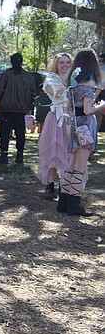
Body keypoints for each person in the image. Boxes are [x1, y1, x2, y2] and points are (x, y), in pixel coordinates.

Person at [59, 48, 103, 216]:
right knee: (80, 166)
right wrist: (101, 105)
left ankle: (63, 201)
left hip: (74, 125)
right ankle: (74, 204)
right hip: (86, 126)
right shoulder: (89, 82)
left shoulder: (73, 83)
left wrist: (97, 92)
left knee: (71, 165)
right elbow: (87, 109)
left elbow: (69, 107)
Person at [37, 53, 73, 199]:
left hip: (70, 118)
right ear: (56, 65)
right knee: (53, 151)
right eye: (61, 63)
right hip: (56, 118)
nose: (65, 65)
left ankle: (65, 185)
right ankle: (50, 184)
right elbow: (57, 95)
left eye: (67, 62)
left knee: (68, 152)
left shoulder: (75, 79)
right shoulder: (50, 80)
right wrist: (66, 86)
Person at [0, 53, 38, 164]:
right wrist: (29, 107)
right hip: (21, 109)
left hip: (5, 108)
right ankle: (19, 155)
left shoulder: (5, 75)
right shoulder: (28, 77)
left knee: (4, 132)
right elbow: (33, 93)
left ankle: (4, 154)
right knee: (20, 133)